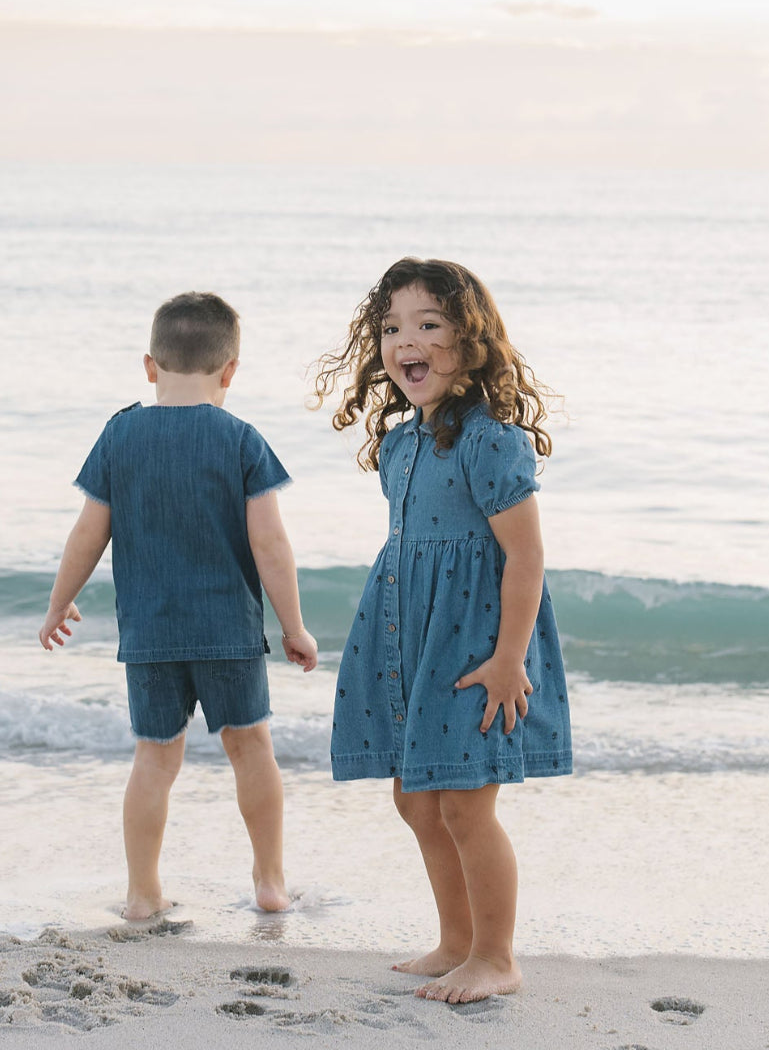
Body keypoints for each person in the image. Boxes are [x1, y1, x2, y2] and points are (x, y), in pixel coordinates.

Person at [314, 258, 571, 1004]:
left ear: (471, 340)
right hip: (408, 639)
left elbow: (524, 555)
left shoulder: (491, 442)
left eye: (428, 325)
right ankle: (456, 940)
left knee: (464, 802)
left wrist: (508, 660)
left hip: (477, 647)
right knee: (415, 798)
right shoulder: (401, 444)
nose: (406, 342)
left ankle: (496, 955)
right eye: (392, 328)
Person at [39, 291, 317, 919]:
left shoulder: (121, 434)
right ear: (230, 372)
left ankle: (142, 893)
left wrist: (60, 603)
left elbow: (89, 531)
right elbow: (270, 543)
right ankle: (270, 884)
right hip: (228, 633)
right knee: (252, 751)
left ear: (149, 365)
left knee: (155, 759)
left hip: (151, 635)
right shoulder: (242, 440)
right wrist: (294, 626)